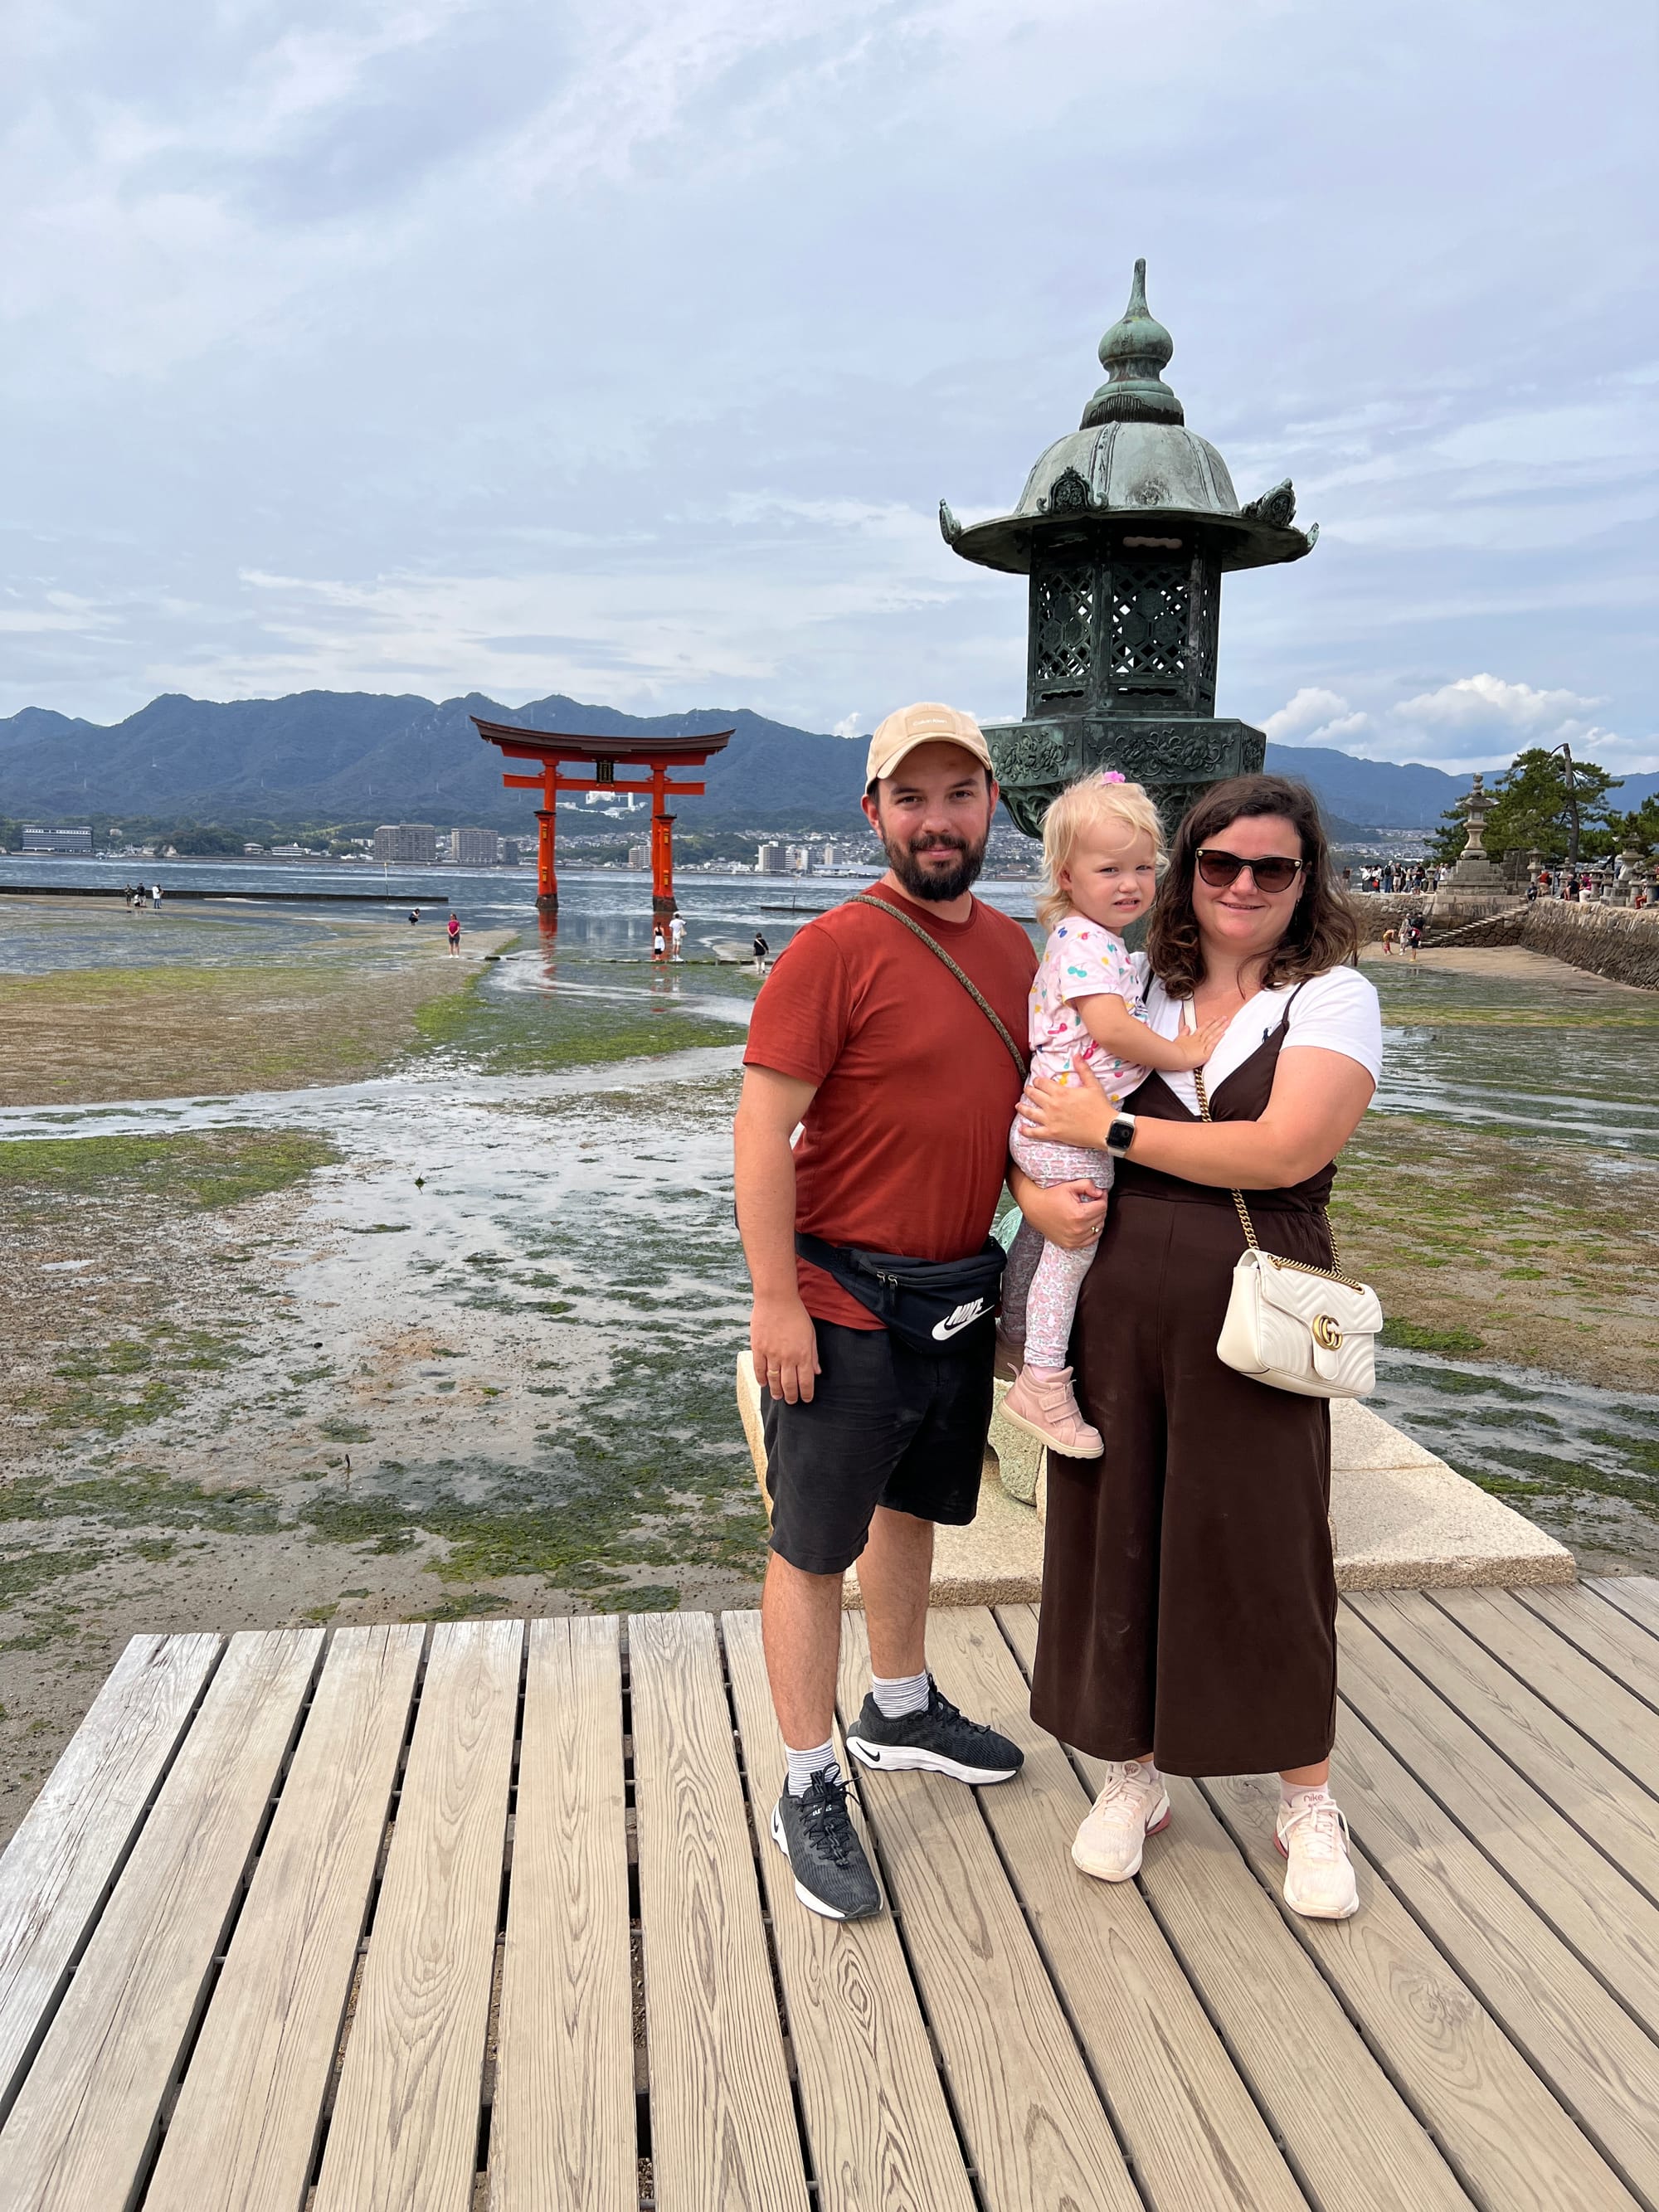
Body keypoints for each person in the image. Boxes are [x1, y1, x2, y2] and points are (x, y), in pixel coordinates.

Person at [1014, 773, 1381, 1922]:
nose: (1242, 885)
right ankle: (1133, 1769)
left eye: (1272, 867)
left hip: (1259, 1301)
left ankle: (1305, 1795)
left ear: (1305, 880)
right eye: (1219, 863)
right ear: (1189, 873)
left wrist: (1111, 1126)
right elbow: (1037, 1112)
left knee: (1267, 1540)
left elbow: (1281, 1151)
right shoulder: (1135, 981)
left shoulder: (1328, 998)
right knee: (1118, 1534)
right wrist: (1032, 1195)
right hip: (1117, 1295)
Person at [734, 701, 1037, 1923]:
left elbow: (1018, 1125)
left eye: (958, 794)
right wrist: (775, 1300)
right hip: (838, 1297)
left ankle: (899, 1707)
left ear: (991, 804)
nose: (936, 819)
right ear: (873, 814)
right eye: (910, 798)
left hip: (956, 1291)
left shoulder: (1015, 953)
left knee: (913, 1510)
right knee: (813, 1545)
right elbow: (761, 1131)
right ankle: (807, 1778)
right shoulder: (833, 950)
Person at [999, 772, 1227, 1456]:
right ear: (1068, 877)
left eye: (1142, 868)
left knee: (1051, 1250)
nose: (1130, 884)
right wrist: (1181, 1052)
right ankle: (1041, 1379)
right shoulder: (1083, 942)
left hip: (1058, 1122)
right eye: (1109, 870)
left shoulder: (1102, 944)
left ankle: (1021, 1353)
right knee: (1070, 1255)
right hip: (1067, 1129)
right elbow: (1113, 1029)